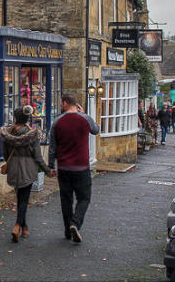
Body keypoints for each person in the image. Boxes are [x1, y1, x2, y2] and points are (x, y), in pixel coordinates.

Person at [48, 93, 100, 243]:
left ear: (65, 103)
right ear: (75, 104)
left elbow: (53, 146)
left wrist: (51, 165)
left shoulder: (57, 121)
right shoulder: (85, 119)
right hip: (81, 166)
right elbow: (95, 130)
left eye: (61, 103)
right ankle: (75, 223)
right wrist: (84, 114)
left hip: (64, 167)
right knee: (84, 198)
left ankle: (67, 230)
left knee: (66, 199)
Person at [0, 105, 53, 243]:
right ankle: (17, 226)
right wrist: (47, 170)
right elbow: (38, 156)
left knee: (20, 197)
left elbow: (5, 154)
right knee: (24, 199)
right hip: (28, 168)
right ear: (27, 119)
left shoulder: (7, 134)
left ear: (15, 118)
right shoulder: (32, 134)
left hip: (14, 168)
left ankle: (24, 227)